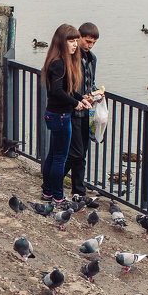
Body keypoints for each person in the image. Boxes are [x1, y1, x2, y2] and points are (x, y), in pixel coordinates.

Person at [40, 24, 90, 204]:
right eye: (71, 41)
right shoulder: (60, 64)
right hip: (60, 116)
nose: (75, 44)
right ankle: (58, 197)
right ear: (62, 42)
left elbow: (66, 89)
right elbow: (58, 92)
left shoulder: (58, 61)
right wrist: (75, 103)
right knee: (60, 159)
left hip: (54, 114)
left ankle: (47, 192)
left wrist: (80, 98)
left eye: (76, 40)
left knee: (53, 155)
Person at [65, 22, 103, 200]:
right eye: (87, 41)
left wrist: (96, 94)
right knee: (76, 153)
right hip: (73, 109)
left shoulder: (92, 59)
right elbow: (68, 86)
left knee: (81, 153)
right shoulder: (71, 58)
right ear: (78, 37)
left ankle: (78, 191)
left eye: (93, 43)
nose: (90, 46)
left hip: (87, 112)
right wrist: (80, 97)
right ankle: (53, 180)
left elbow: (89, 82)